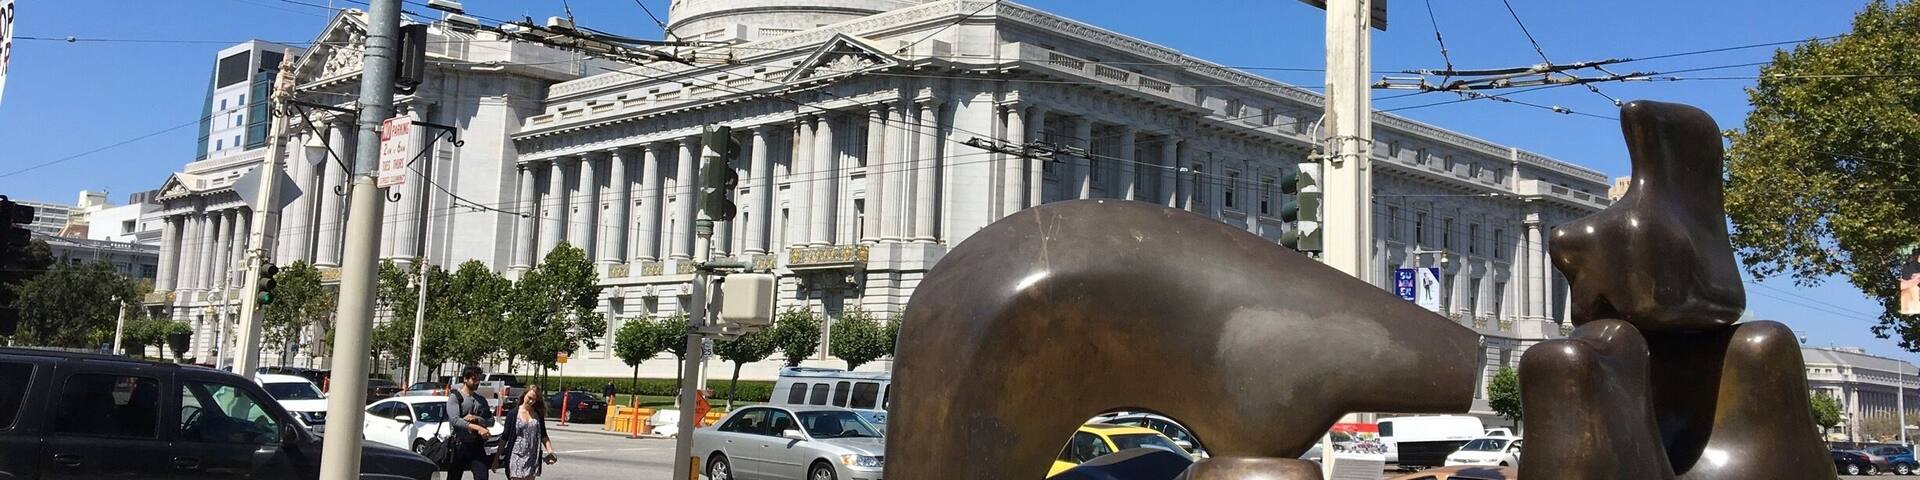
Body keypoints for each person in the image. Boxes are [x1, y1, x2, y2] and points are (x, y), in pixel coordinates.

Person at [446, 366, 496, 480]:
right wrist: (477, 428)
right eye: (474, 379)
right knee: (454, 476)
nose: (477, 382)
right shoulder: (456, 397)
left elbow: (491, 421)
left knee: (482, 476)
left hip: (477, 445)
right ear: (465, 379)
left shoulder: (481, 400)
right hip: (459, 444)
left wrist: (477, 419)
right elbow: (455, 420)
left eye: (479, 380)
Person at [500, 384, 557, 479]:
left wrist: (550, 451)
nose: (531, 401)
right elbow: (504, 437)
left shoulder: (538, 415)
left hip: (532, 458)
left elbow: (543, 435)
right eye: (529, 398)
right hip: (516, 456)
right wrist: (496, 459)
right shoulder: (513, 414)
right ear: (524, 395)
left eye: (534, 400)